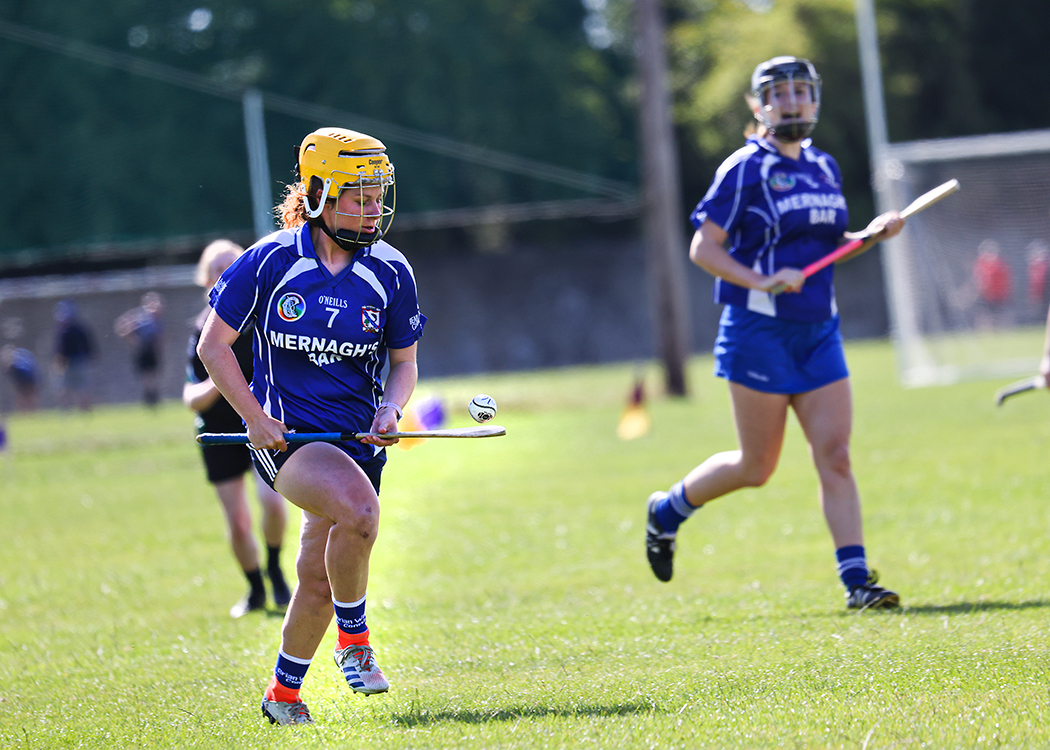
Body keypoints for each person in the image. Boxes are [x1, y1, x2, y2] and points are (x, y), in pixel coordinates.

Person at [643, 57, 905, 611]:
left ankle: (857, 582)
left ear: (814, 100)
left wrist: (871, 235)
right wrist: (763, 279)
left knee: (834, 454)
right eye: (779, 93)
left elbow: (832, 244)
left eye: (801, 92)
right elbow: (703, 248)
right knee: (756, 467)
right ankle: (667, 510)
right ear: (759, 104)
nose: (792, 102)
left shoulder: (825, 168)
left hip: (818, 331)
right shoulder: (744, 168)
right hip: (759, 331)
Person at [196, 127, 425, 725]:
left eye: (378, 194)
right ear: (320, 193)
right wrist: (255, 417)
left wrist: (391, 410)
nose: (372, 206)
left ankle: (283, 695)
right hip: (288, 442)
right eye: (357, 194)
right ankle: (356, 640)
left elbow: (404, 364)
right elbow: (213, 347)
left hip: (361, 443)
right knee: (361, 512)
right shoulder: (271, 260)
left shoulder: (392, 270)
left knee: (317, 576)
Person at [184, 239, 292, 619]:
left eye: (231, 266)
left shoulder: (264, 317)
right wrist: (222, 375)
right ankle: (255, 589)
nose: (223, 275)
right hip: (220, 433)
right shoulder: (202, 331)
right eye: (216, 269)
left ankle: (277, 569)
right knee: (238, 521)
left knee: (273, 503)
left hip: (263, 428)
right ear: (205, 279)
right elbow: (191, 398)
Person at [115, 291, 165, 406]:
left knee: (153, 377)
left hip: (152, 351)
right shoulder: (139, 318)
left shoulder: (157, 320)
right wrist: (133, 341)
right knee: (146, 377)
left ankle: (153, 399)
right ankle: (149, 399)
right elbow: (122, 328)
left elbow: (160, 337)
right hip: (143, 350)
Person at [53, 299, 96, 411]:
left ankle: (66, 410)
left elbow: (61, 350)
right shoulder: (81, 328)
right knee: (81, 387)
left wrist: (59, 363)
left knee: (65, 388)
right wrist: (91, 359)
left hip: (70, 363)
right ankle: (85, 410)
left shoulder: (64, 331)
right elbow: (90, 347)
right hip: (80, 362)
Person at [1, 344, 40, 411]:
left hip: (29, 378)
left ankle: (29, 411)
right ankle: (26, 412)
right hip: (29, 378)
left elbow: (28, 375)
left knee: (27, 396)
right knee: (25, 396)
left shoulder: (19, 365)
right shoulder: (20, 357)